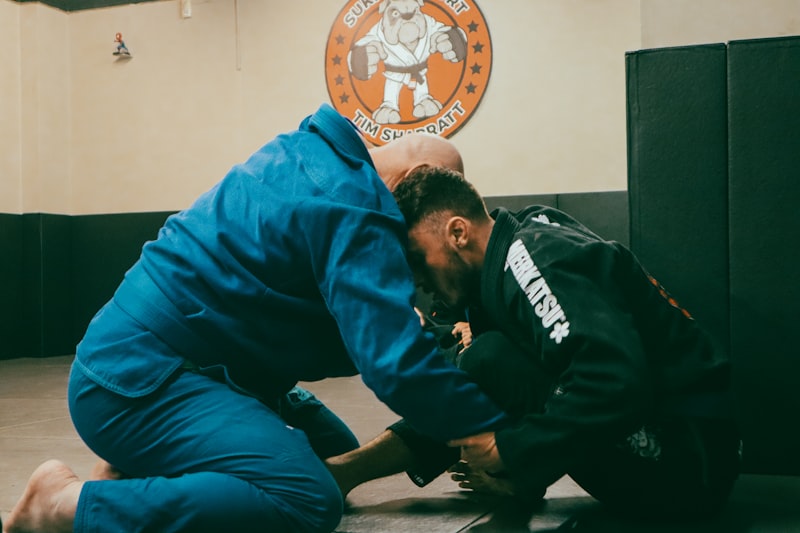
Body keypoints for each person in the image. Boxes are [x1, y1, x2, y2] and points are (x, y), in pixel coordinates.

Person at [3, 104, 509, 533]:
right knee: (306, 495)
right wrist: (492, 432)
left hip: (161, 363)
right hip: (139, 380)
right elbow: (392, 363)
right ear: (414, 190)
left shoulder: (310, 155)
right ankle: (64, 507)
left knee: (333, 449)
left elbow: (349, 324)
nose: (412, 266)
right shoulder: (358, 212)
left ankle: (135, 467)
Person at [326, 166, 741, 520]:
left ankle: (348, 471)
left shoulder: (535, 259)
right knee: (483, 355)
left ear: (457, 232)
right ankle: (348, 471)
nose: (416, 278)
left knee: (487, 358)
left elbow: (615, 383)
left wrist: (512, 449)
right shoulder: (522, 240)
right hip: (688, 447)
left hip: (687, 466)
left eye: (418, 258)